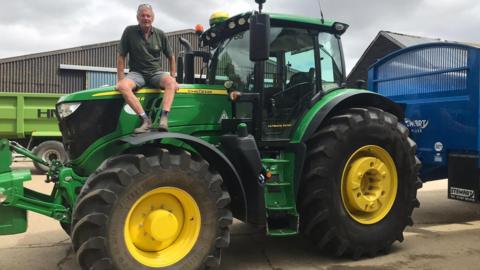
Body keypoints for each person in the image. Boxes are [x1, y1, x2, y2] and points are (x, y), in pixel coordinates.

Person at [116, 4, 178, 133]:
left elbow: (171, 56)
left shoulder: (160, 34)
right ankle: (145, 120)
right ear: (137, 17)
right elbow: (121, 56)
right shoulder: (129, 32)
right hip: (137, 74)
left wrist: (173, 76)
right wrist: (121, 79)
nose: (146, 18)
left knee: (171, 83)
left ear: (153, 18)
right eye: (143, 16)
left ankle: (164, 118)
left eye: (148, 16)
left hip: (156, 73)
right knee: (123, 87)